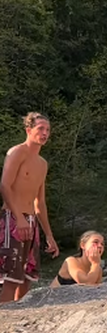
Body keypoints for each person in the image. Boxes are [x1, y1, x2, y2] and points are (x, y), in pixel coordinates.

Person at [0, 112, 59, 302]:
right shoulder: (17, 152)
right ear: (28, 130)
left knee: (27, 277)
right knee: (11, 276)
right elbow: (5, 186)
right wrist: (19, 217)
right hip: (13, 218)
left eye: (47, 129)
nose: (45, 133)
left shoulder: (42, 164)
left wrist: (49, 235)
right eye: (40, 128)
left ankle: (20, 312)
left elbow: (39, 202)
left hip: (32, 222)